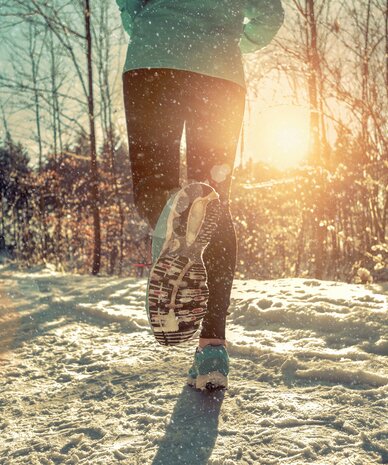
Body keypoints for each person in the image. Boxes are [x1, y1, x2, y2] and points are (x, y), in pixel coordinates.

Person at [117, 0, 284, 390]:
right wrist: (225, 40)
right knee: (212, 201)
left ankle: (174, 222)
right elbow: (271, 16)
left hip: (155, 61)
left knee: (153, 188)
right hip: (220, 74)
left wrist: (152, 26)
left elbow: (127, 5)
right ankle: (212, 351)